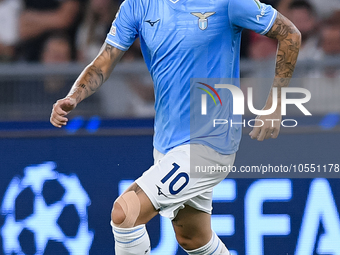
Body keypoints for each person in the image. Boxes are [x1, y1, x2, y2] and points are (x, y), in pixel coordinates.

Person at [50, 0, 301, 254]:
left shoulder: (227, 2)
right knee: (193, 237)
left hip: (210, 142)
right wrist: (74, 96)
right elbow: (104, 61)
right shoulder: (136, 6)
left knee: (125, 213)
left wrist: (274, 105)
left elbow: (290, 33)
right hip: (167, 143)